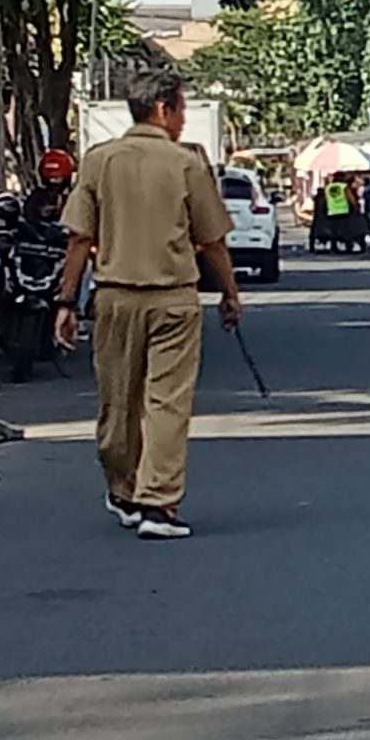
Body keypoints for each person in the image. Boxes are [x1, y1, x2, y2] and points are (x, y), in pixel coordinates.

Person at [55, 69, 241, 541]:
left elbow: (80, 238)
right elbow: (212, 239)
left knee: (116, 403)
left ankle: (123, 489)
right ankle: (157, 503)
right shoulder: (186, 163)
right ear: (162, 109)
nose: (182, 120)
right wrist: (230, 291)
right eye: (180, 109)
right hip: (174, 300)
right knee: (166, 404)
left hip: (113, 298)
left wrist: (65, 301)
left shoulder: (99, 161)